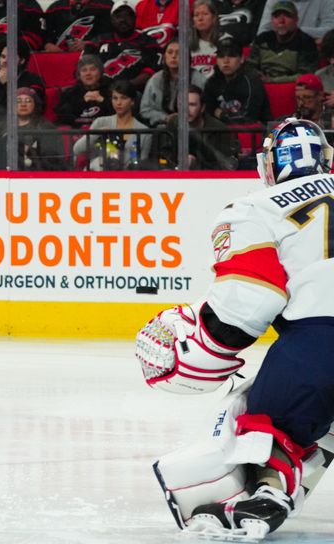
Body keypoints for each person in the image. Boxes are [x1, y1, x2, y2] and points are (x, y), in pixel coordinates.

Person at [135, 117, 334, 540]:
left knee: (266, 418)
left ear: (270, 164)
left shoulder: (257, 208)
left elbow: (249, 301)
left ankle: (270, 491)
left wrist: (206, 343)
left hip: (321, 340)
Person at [72, 79, 152, 171]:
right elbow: (77, 149)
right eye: (115, 98)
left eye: (123, 98)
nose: (118, 103)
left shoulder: (144, 131)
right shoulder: (100, 122)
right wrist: (98, 133)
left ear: (132, 101)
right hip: (98, 173)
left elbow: (142, 163)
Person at [83, 0, 160, 91]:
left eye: (127, 16)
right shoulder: (98, 41)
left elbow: (152, 71)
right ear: (111, 19)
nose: (123, 20)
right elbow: (84, 67)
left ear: (135, 18)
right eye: (118, 16)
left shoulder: (147, 42)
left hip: (132, 93)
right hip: (99, 90)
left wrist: (127, 86)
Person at [161, 85, 239, 169]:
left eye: (192, 104)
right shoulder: (173, 124)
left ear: (202, 108)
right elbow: (162, 158)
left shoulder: (219, 129)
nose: (186, 110)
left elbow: (227, 166)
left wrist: (197, 164)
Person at [246, 1, 319, 84]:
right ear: (272, 20)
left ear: (296, 19)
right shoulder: (263, 39)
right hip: (260, 87)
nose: (281, 21)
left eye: (287, 16)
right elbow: (249, 66)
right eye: (277, 16)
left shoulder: (306, 42)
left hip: (292, 90)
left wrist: (272, 81)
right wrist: (258, 76)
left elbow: (305, 75)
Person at [0, 41, 45, 127]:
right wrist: (1, 85)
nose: (5, 61)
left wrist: (6, 85)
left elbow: (33, 109)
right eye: (3, 57)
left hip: (26, 127)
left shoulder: (34, 80)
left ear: (22, 60)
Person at [203, 38, 272, 125]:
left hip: (253, 134)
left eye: (231, 55)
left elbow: (247, 118)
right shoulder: (213, 81)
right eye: (221, 56)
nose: (226, 61)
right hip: (221, 133)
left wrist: (220, 114)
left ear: (242, 58)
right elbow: (206, 109)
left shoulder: (252, 81)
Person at [140, 39, 207, 127]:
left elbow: (207, 107)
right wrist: (165, 117)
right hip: (163, 128)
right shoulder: (156, 79)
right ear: (164, 56)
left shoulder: (199, 79)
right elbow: (144, 110)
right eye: (170, 52)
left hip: (193, 126)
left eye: (178, 53)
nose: (174, 56)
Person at [0, 86, 65, 170]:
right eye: (18, 101)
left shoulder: (45, 127)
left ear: (35, 105)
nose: (23, 104)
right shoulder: (2, 127)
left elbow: (50, 157)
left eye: (28, 101)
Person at [54, 54, 113, 128]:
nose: (88, 73)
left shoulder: (111, 90)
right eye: (84, 70)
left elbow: (121, 114)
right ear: (79, 75)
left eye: (92, 69)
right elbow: (63, 118)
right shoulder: (70, 93)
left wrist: (102, 100)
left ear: (100, 72)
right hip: (77, 134)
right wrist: (82, 102)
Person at [43, 0, 113, 53]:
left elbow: (112, 36)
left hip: (93, 59)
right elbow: (45, 36)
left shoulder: (107, 6)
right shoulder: (54, 8)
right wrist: (47, 45)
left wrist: (89, 44)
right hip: (59, 59)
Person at [255, 0, 334, 42]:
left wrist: (296, 32)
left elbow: (331, 30)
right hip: (278, 48)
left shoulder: (326, 1)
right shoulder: (273, 0)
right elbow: (262, 32)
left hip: (309, 51)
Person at [189, 0, 220, 82]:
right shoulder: (187, 45)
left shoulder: (224, 41)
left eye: (205, 14)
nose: (200, 18)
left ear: (214, 18)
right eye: (196, 15)